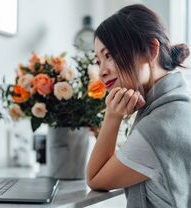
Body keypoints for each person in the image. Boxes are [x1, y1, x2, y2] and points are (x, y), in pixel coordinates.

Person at [86, 4, 190, 208]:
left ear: (151, 50)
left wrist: (112, 116)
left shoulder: (159, 126)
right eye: (98, 61)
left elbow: (96, 178)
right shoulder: (177, 108)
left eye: (109, 55)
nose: (101, 72)